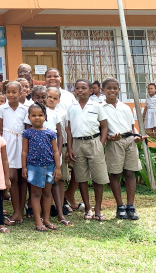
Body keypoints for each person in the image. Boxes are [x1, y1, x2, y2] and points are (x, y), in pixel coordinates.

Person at [66, 79, 109, 222]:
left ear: (91, 90)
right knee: (81, 177)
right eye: (77, 88)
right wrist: (70, 148)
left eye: (83, 88)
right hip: (78, 144)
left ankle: (98, 208)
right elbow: (69, 130)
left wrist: (100, 144)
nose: (80, 91)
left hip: (94, 142)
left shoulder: (97, 106)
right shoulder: (71, 108)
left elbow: (104, 126)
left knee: (98, 177)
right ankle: (88, 207)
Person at [99, 78, 142, 220]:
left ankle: (131, 205)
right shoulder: (100, 107)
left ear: (118, 90)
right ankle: (120, 206)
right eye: (108, 88)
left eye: (115, 88)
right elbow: (100, 128)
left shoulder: (125, 107)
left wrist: (136, 136)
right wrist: (109, 139)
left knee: (130, 172)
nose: (112, 91)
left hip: (129, 140)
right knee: (116, 173)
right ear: (103, 90)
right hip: (114, 142)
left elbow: (131, 126)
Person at [22, 102, 60, 232]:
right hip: (34, 167)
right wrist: (24, 167)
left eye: (40, 115)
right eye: (34, 115)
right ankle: (38, 220)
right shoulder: (27, 133)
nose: (37, 118)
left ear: (45, 116)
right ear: (29, 117)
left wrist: (58, 168)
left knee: (47, 193)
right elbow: (24, 151)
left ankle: (47, 219)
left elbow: (55, 151)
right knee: (36, 193)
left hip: (49, 166)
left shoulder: (51, 133)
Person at [0, 81, 29, 226]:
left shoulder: (25, 109)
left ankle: (19, 212)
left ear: (20, 93)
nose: (10, 95)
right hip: (7, 142)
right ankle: (16, 211)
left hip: (22, 143)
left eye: (14, 92)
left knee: (23, 177)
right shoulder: (2, 108)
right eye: (8, 92)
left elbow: (28, 129)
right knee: (11, 176)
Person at [43, 87, 73, 226]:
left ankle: (60, 210)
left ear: (59, 100)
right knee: (44, 183)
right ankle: (46, 213)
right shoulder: (40, 111)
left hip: (56, 151)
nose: (51, 99)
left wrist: (59, 152)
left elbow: (61, 134)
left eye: (55, 98)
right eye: (49, 96)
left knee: (56, 180)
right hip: (41, 152)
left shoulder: (60, 113)